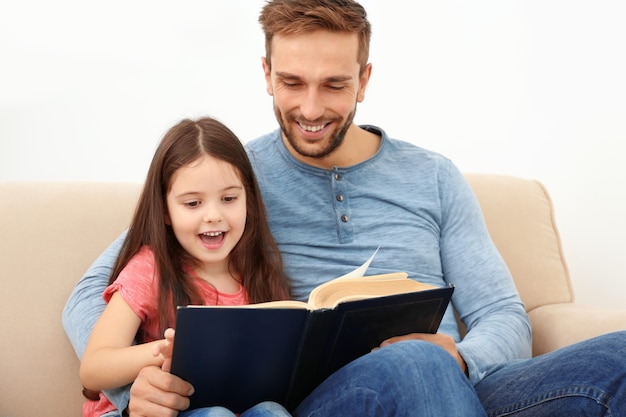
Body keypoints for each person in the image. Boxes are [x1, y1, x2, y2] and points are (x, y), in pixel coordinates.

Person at [64, 1, 626, 416]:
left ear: (365, 79)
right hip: (326, 402)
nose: (311, 108)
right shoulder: (230, 183)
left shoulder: (433, 175)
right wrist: (142, 388)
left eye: (334, 85)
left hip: (463, 386)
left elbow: (503, 314)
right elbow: (96, 292)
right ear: (266, 76)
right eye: (292, 82)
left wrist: (460, 357)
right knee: (415, 365)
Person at [76, 117, 292, 417]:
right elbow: (93, 368)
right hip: (155, 411)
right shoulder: (150, 269)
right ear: (165, 211)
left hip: (224, 408)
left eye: (229, 198)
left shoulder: (261, 274)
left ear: (248, 201)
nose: (213, 215)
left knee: (272, 411)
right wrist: (167, 352)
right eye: (193, 204)